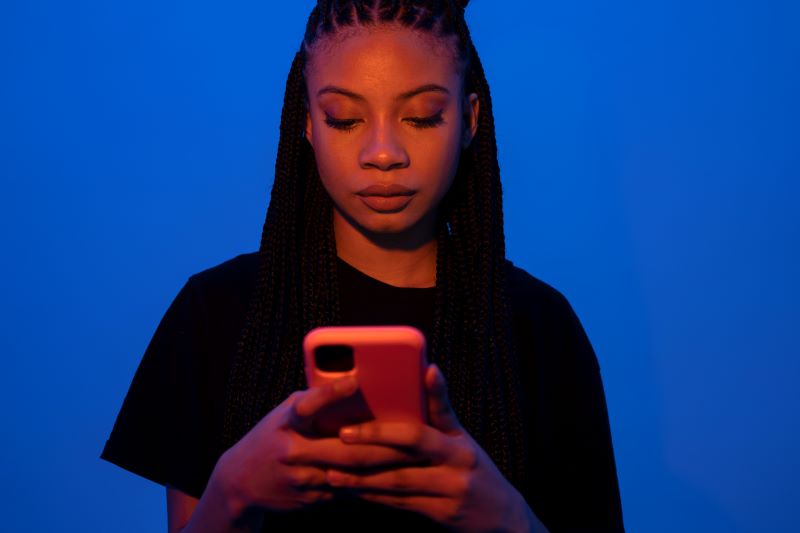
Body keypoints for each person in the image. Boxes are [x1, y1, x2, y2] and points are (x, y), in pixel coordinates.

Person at [100, 1, 625, 532]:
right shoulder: (216, 312)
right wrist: (232, 489)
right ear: (307, 123)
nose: (382, 153)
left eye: (421, 116)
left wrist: (505, 515)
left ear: (469, 120)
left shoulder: (539, 327)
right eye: (345, 119)